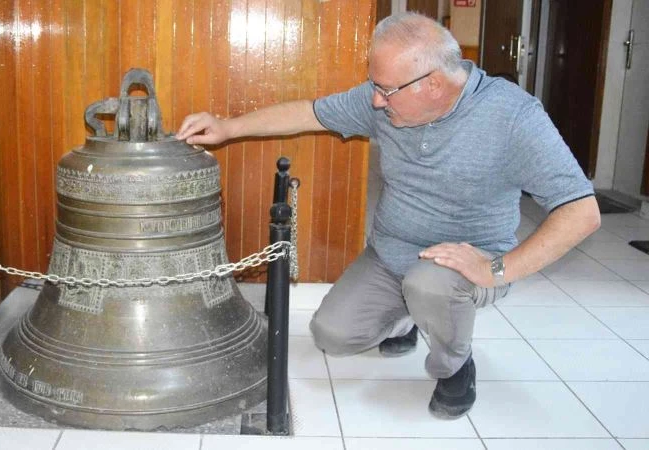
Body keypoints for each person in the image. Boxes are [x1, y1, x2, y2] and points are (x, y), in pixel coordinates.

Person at [176, 12, 600, 419]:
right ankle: (406, 320)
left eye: (386, 90)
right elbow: (309, 112)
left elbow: (582, 211)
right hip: (390, 254)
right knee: (333, 336)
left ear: (433, 84)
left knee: (429, 284)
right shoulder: (388, 97)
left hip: (463, 262)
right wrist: (228, 127)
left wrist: (498, 268)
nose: (376, 100)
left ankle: (455, 366)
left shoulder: (513, 117)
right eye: (374, 86)